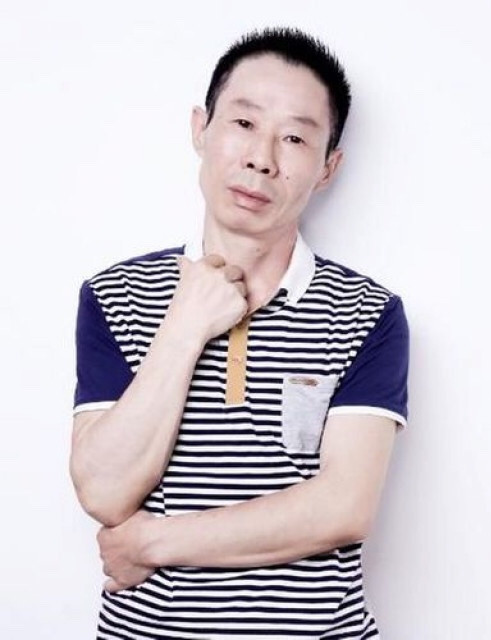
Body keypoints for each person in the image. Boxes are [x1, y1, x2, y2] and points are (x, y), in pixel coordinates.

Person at [70, 26, 409, 639]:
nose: (262, 158)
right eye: (245, 123)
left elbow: (342, 507)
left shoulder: (367, 312)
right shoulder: (115, 295)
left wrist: (148, 542)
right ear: (200, 129)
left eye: (295, 138)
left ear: (328, 167)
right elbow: (103, 490)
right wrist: (184, 325)